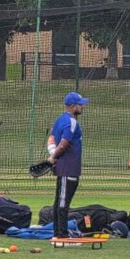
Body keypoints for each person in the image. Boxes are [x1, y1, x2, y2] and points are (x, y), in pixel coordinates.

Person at [47, 92, 88, 239]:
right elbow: (64, 143)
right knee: (63, 202)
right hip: (68, 168)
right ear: (73, 106)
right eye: (80, 104)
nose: (82, 107)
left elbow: (51, 137)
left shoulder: (59, 120)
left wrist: (52, 153)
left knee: (60, 200)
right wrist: (54, 156)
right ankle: (61, 235)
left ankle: (58, 233)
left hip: (64, 168)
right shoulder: (71, 121)